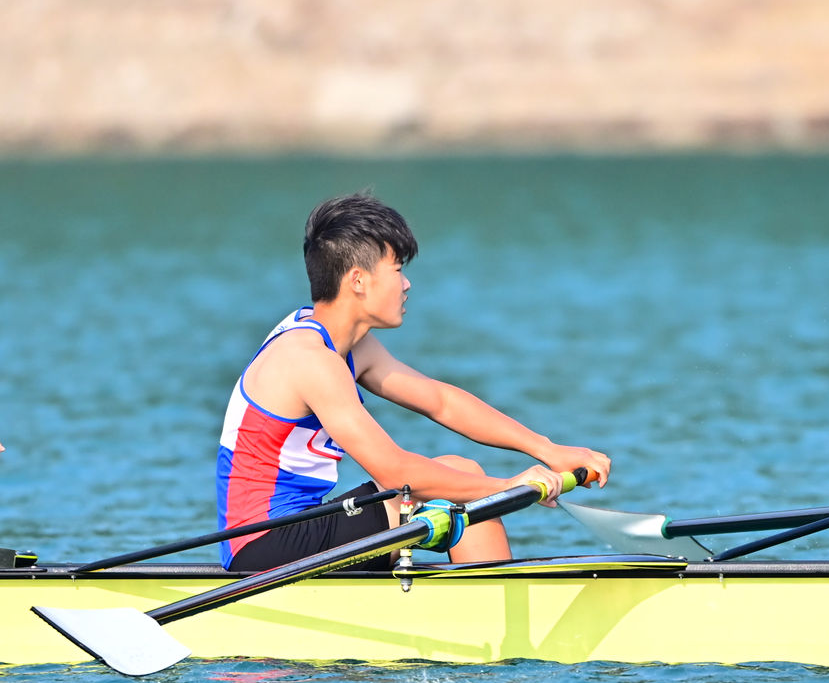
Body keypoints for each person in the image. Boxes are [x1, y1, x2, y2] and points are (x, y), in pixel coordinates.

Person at [216, 192, 611, 571]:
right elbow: (394, 471)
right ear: (358, 280)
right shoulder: (310, 359)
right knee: (461, 494)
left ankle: (487, 596)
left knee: (460, 470)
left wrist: (547, 449)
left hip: (303, 525)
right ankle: (494, 606)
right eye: (397, 270)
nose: (406, 284)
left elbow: (441, 402)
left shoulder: (347, 344)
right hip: (263, 544)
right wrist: (506, 487)